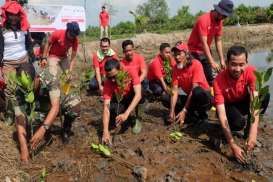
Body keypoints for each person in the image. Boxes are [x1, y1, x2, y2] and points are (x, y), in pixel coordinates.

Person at [213, 45, 270, 163]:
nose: (237, 69)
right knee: (238, 123)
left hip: (242, 101)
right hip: (228, 106)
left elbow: (255, 103)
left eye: (241, 64)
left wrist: (253, 134)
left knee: (264, 96)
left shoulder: (251, 72)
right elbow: (222, 114)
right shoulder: (218, 80)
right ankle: (228, 130)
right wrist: (233, 145)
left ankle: (248, 135)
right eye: (233, 64)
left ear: (247, 63)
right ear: (227, 63)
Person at [14, 63, 81, 163]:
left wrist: (43, 129)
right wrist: (23, 149)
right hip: (38, 108)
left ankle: (66, 128)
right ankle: (44, 125)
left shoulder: (49, 76)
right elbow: (20, 119)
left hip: (56, 102)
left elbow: (55, 106)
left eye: (30, 87)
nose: (27, 91)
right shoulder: (19, 87)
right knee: (30, 127)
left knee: (75, 105)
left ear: (37, 78)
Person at [0, 1, 34, 161]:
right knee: (9, 90)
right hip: (8, 62)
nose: (13, 17)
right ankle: (9, 113)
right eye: (10, 14)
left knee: (27, 87)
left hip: (23, 60)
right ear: (7, 15)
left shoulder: (24, 27)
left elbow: (28, 45)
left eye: (16, 14)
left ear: (19, 15)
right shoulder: (2, 29)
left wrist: (32, 59)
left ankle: (25, 113)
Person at [188, 0, 234, 86]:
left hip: (205, 51)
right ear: (218, 10)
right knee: (197, 77)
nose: (224, 17)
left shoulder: (219, 22)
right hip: (193, 51)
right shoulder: (204, 20)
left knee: (210, 78)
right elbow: (204, 43)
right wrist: (212, 62)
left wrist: (221, 60)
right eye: (224, 15)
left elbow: (218, 41)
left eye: (226, 16)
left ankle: (212, 96)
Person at [167, 42, 212, 125]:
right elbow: (175, 90)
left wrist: (184, 110)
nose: (177, 57)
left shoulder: (196, 64)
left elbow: (194, 89)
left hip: (204, 96)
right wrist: (171, 110)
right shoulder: (175, 69)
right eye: (175, 55)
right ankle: (188, 114)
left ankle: (203, 116)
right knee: (166, 97)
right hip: (190, 96)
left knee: (197, 92)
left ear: (186, 54)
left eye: (180, 54)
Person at [102, 59, 143, 144]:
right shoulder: (108, 82)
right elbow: (106, 107)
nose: (113, 80)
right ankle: (125, 113)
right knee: (113, 110)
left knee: (141, 94)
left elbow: (138, 95)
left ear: (120, 69)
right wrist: (105, 131)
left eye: (114, 76)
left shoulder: (131, 71)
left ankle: (136, 116)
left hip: (133, 95)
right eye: (110, 77)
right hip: (121, 98)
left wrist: (127, 113)